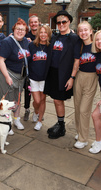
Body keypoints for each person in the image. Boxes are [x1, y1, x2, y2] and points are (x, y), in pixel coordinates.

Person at [44, 10, 80, 139]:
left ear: (69, 21)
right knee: (55, 99)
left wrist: (72, 77)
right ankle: (60, 123)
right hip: (53, 72)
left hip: (64, 74)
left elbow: (77, 60)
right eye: (58, 22)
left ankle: (62, 127)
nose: (61, 24)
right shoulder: (55, 37)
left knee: (59, 100)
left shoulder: (74, 38)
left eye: (64, 21)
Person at [0, 18, 30, 132]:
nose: (20, 31)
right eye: (18, 29)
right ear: (13, 30)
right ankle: (6, 123)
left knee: (18, 99)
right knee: (7, 101)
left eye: (23, 29)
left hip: (20, 77)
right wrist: (7, 76)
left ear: (26, 31)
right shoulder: (7, 42)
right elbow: (0, 60)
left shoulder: (26, 41)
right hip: (9, 73)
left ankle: (16, 119)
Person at [73, 21, 98, 149]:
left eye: (85, 30)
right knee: (77, 107)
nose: (83, 33)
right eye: (80, 30)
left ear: (90, 31)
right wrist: (73, 77)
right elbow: (76, 62)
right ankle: (79, 132)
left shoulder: (96, 46)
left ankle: (84, 139)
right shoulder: (80, 45)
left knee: (84, 109)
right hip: (80, 76)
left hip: (92, 77)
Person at [28, 24, 52, 130]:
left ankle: (39, 120)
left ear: (48, 34)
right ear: (38, 33)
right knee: (36, 101)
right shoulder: (32, 45)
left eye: (45, 32)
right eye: (41, 32)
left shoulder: (50, 46)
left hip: (45, 78)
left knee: (42, 100)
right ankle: (36, 111)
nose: (43, 34)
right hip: (33, 77)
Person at [23, 15, 40, 121]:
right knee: (27, 90)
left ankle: (37, 112)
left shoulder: (42, 35)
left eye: (35, 22)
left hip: (39, 67)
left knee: (39, 93)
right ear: (29, 24)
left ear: (39, 23)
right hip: (28, 68)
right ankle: (27, 109)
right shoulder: (26, 35)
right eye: (32, 22)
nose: (34, 24)